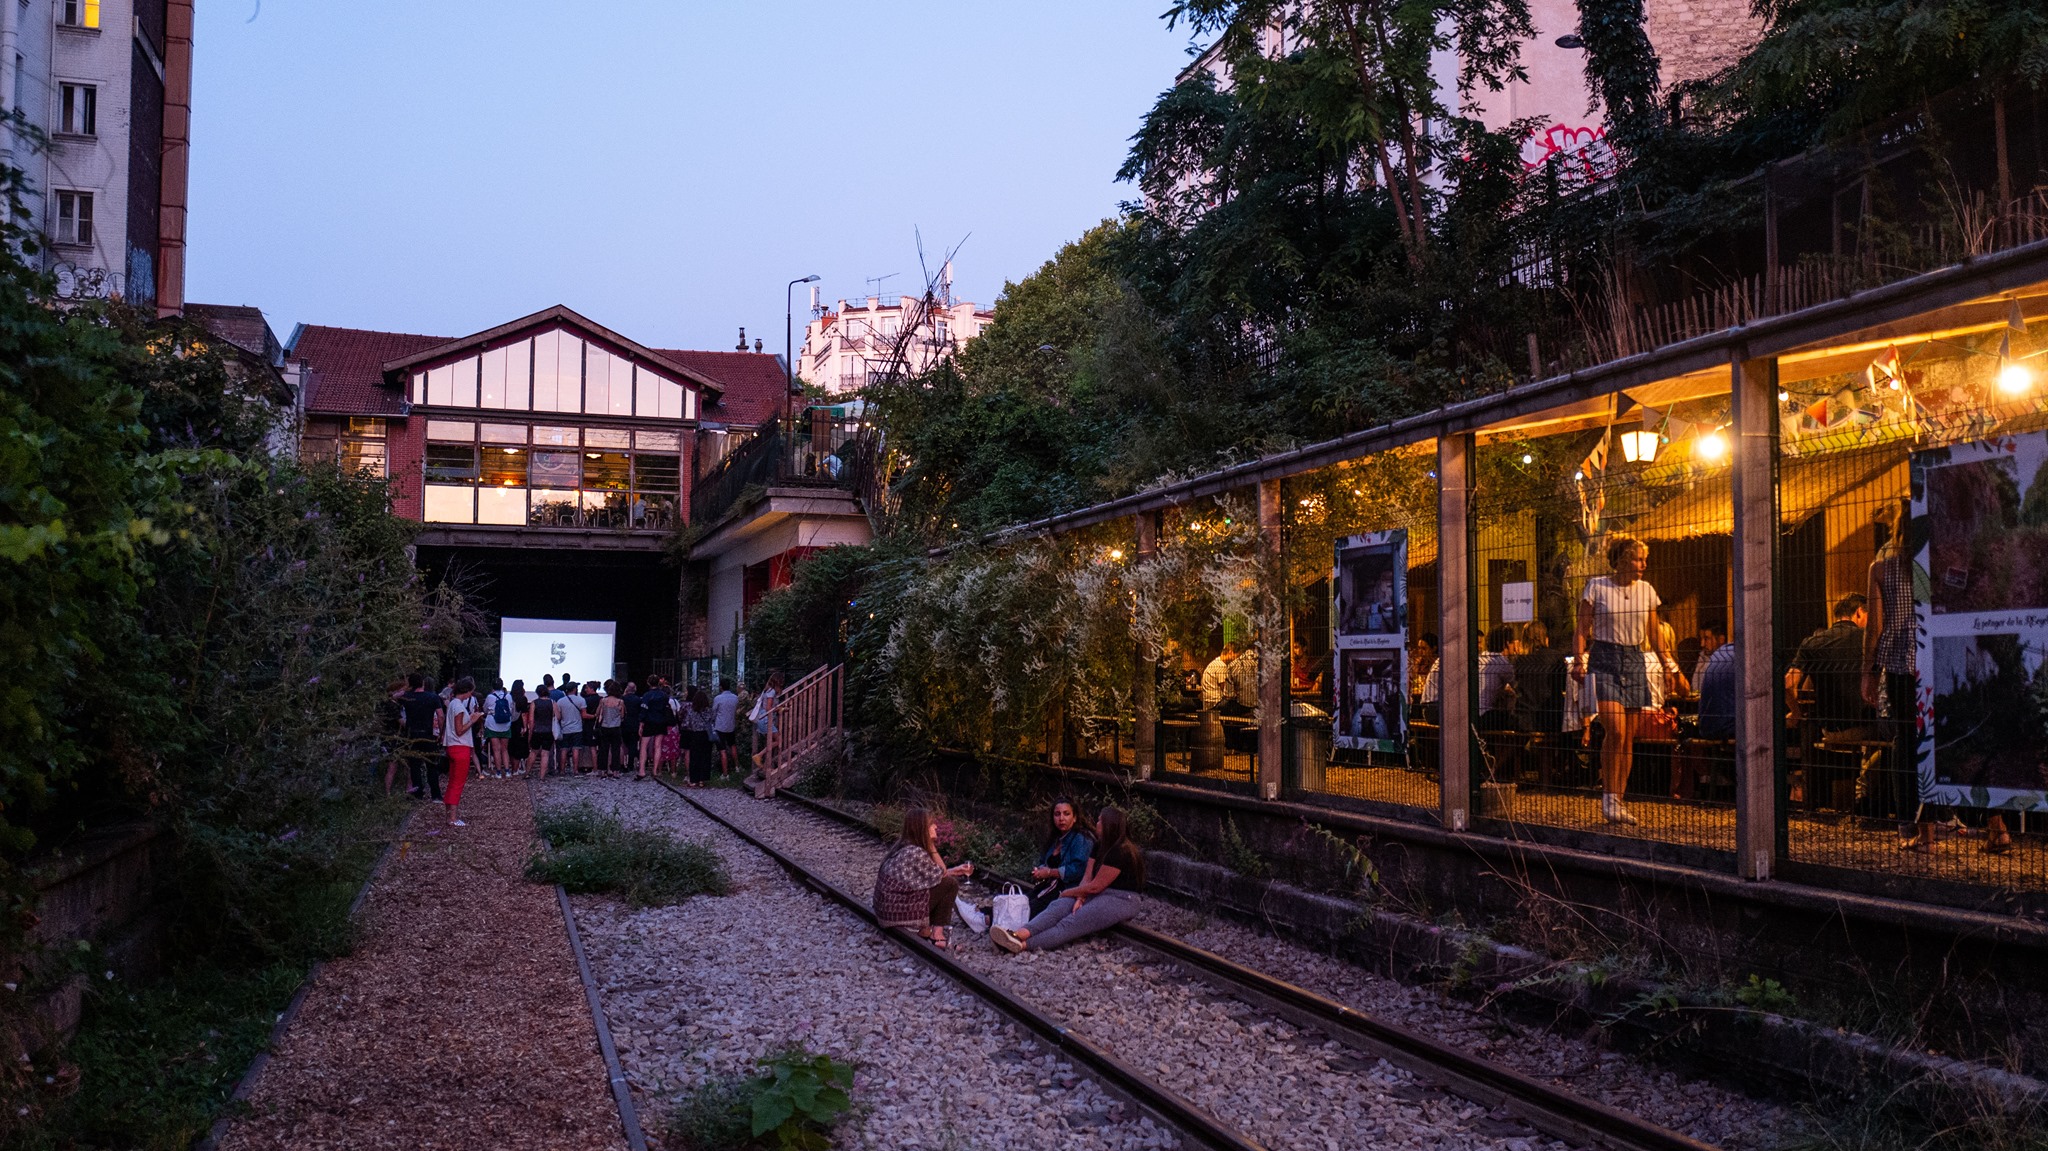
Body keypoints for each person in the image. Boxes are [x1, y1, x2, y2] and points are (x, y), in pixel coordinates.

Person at [1863, 503, 2012, 854]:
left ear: (1897, 531)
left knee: (1910, 749)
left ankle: (1921, 834)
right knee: (1963, 742)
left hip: (1903, 668)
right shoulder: (1947, 565)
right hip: (1947, 666)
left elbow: (1874, 629)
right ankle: (1997, 827)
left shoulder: (1881, 570)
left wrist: (1868, 673)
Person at [1573, 534, 1673, 826]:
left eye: (1644, 560)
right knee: (1614, 729)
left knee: (1629, 735)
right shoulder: (1597, 587)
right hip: (1604, 656)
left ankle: (1619, 800)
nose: (1642, 565)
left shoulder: (1646, 591)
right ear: (1619, 560)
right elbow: (1582, 627)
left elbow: (1654, 633)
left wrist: (1669, 664)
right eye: (1637, 559)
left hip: (1634, 658)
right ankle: (1608, 796)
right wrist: (1579, 659)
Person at [993, 807, 1143, 954]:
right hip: (1100, 893)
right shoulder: (1099, 845)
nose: (1096, 823)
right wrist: (1079, 896)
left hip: (1122, 899)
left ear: (1109, 825)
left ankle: (1022, 945)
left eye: (1099, 821)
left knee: (1071, 922)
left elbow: (1095, 887)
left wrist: (1069, 892)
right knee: (1059, 906)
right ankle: (1018, 934)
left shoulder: (1121, 851)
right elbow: (1087, 878)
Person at [872, 808, 973, 949]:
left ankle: (925, 930)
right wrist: (931, 845)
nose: (936, 827)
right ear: (922, 829)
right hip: (894, 915)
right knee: (950, 885)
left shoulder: (903, 846)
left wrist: (953, 871)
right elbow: (941, 873)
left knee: (944, 881)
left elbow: (928, 875)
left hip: (886, 910)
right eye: (932, 824)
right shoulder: (916, 853)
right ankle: (936, 935)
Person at [1788, 594, 1872, 735]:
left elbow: (1788, 683)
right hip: (1866, 725)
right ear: (1859, 612)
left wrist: (1796, 713)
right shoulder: (1867, 638)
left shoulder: (1811, 642)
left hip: (1828, 729)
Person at [1028, 799, 1096, 914]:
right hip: (1049, 885)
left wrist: (1050, 872)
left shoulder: (1081, 838)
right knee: (1019, 902)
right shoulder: (1055, 838)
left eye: (1066, 814)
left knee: (1027, 910)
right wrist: (1039, 871)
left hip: (1067, 889)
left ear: (1074, 818)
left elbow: (1078, 870)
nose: (1061, 819)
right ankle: (989, 918)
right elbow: (1043, 860)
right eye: (1057, 814)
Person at [397, 673, 445, 801]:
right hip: (428, 734)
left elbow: (393, 697)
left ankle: (418, 793)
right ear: (422, 683)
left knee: (415, 766)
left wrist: (406, 688)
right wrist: (441, 733)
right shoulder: (433, 697)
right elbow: (440, 715)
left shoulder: (407, 697)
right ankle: (436, 794)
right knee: (432, 765)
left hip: (412, 734)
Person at [442, 676, 478, 827]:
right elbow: (459, 730)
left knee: (452, 781)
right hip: (460, 747)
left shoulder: (453, 704)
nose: (471, 694)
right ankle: (453, 818)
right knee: (458, 783)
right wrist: (472, 720)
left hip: (452, 746)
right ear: (466, 691)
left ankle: (449, 813)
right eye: (471, 692)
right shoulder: (458, 706)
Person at [1476, 625, 1517, 731]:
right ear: (1507, 643)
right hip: (1485, 716)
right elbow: (1518, 687)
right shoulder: (1502, 662)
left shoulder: (1482, 657)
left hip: (1472, 714)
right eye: (1513, 642)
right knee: (1516, 718)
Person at [481, 677, 514, 779]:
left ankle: (498, 772)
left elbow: (485, 709)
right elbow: (511, 709)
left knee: (496, 749)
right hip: (505, 725)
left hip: (492, 725)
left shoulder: (490, 697)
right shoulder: (508, 696)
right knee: (505, 749)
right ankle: (507, 771)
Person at [638, 678, 670, 778]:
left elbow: (644, 709)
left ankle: (642, 770)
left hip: (649, 721)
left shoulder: (647, 695)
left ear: (648, 683)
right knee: (658, 746)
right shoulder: (664, 695)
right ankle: (655, 770)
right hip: (661, 721)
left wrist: (641, 723)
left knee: (644, 746)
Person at [684, 686, 715, 786]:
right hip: (706, 735)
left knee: (695, 757)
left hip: (695, 734)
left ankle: (694, 780)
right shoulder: (709, 711)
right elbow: (713, 721)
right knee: (705, 757)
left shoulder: (691, 711)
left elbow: (687, 724)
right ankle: (703, 779)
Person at [554, 678, 586, 774]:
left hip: (565, 728)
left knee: (564, 749)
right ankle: (575, 770)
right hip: (577, 728)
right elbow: (583, 714)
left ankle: (562, 770)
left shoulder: (560, 701)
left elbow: (558, 716)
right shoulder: (581, 700)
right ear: (575, 689)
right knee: (576, 749)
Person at [380, 679, 406, 795]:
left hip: (396, 736)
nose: (403, 693)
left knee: (395, 765)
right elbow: (401, 721)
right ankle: (388, 793)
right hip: (391, 737)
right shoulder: (390, 705)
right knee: (392, 765)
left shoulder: (397, 704)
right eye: (401, 691)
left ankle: (392, 791)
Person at [711, 677, 741, 779]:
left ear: (721, 687)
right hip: (731, 725)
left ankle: (725, 774)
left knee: (722, 750)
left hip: (720, 727)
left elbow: (714, 713)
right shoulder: (735, 698)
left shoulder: (718, 698)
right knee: (733, 745)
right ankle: (737, 767)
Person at [596, 679, 627, 778]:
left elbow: (598, 713)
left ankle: (602, 770)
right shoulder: (620, 702)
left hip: (605, 726)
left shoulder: (603, 700)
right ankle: (616, 771)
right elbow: (622, 715)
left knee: (603, 749)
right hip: (616, 727)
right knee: (615, 749)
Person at [528, 681, 555, 779]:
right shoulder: (552, 703)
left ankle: (527, 772)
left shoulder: (534, 703)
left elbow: (531, 720)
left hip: (537, 730)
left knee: (534, 752)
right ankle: (542, 776)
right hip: (548, 730)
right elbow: (558, 716)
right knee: (545, 753)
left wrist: (530, 732)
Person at [1200, 644, 1238, 712]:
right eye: (1235, 656)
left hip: (1208, 702)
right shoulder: (1221, 666)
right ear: (1230, 652)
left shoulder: (1215, 663)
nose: (1235, 659)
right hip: (1215, 703)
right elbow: (1225, 689)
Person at [508, 680, 531, 777]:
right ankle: (516, 769)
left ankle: (513, 768)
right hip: (519, 724)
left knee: (512, 746)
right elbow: (524, 714)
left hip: (510, 724)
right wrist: (525, 726)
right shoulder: (523, 699)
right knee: (519, 747)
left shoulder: (509, 697)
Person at [620, 681, 642, 777]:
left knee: (624, 744)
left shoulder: (622, 699)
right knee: (633, 744)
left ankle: (623, 762)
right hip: (635, 724)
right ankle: (630, 764)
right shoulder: (638, 700)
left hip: (624, 724)